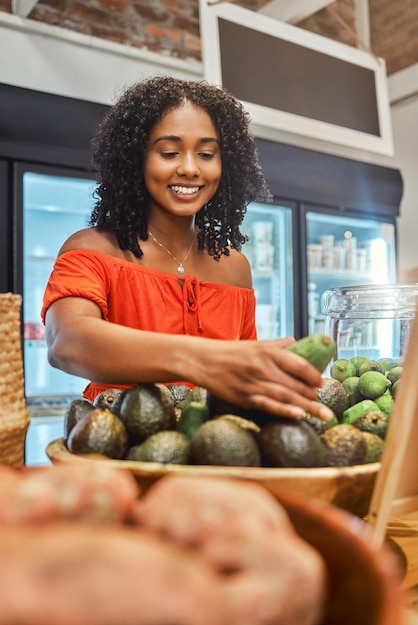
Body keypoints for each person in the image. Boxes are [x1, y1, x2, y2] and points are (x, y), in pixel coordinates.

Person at [41, 75, 332, 421]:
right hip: (121, 453)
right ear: (136, 158)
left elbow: (240, 380)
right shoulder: (92, 249)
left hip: (215, 452)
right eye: (169, 152)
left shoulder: (235, 267)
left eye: (206, 154)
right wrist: (204, 359)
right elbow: (66, 341)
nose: (190, 168)